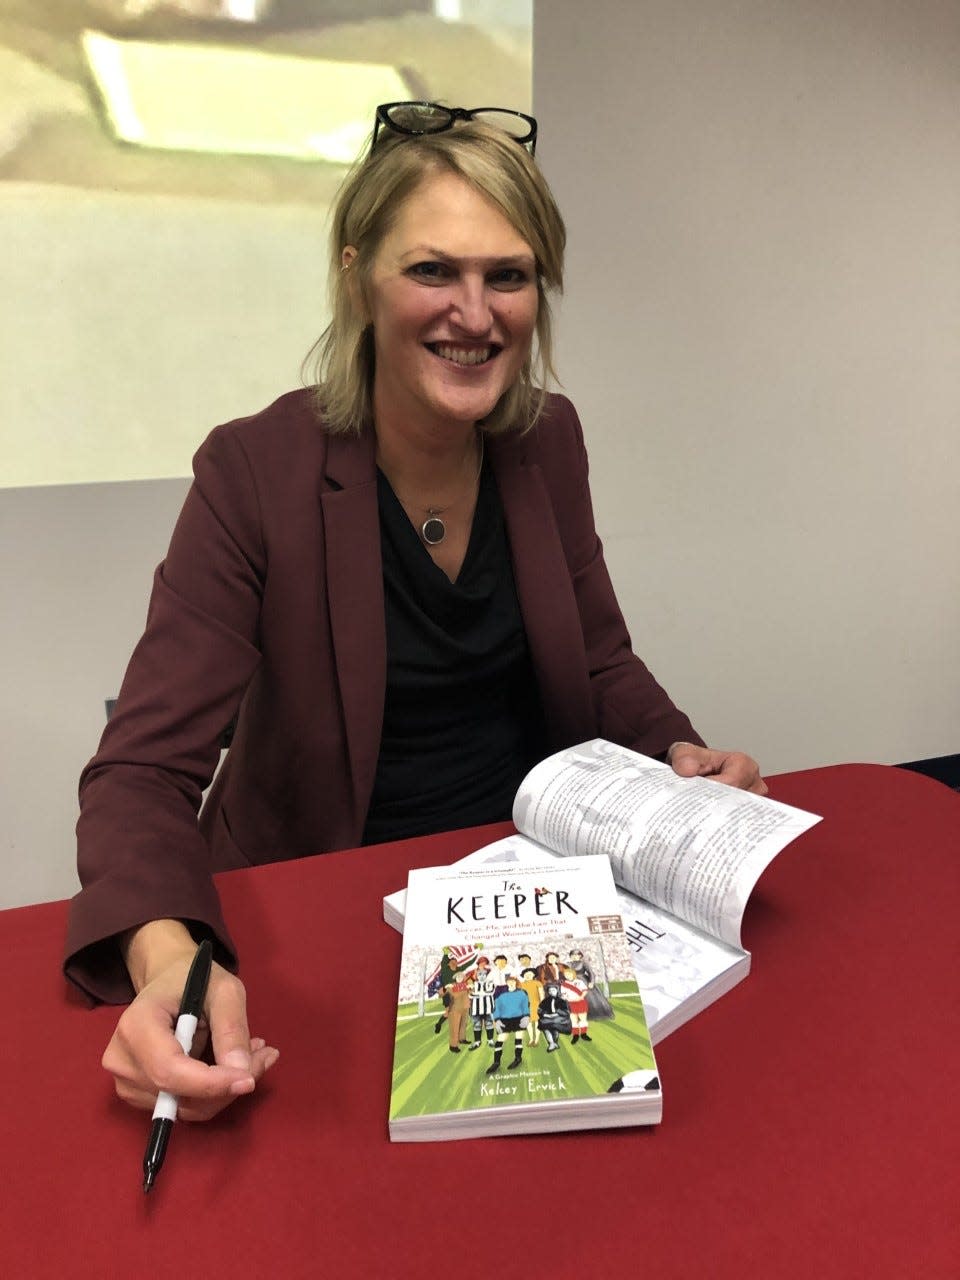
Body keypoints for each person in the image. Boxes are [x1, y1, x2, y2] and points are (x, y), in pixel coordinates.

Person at [63, 101, 765, 1122]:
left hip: (527, 894)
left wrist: (680, 758)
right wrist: (172, 957)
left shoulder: (548, 440)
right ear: (356, 276)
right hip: (330, 908)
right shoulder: (255, 471)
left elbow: (602, 661)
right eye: (432, 270)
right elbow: (141, 770)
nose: (475, 315)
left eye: (508, 276)